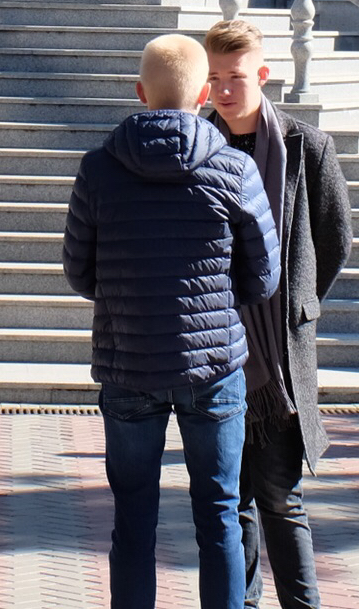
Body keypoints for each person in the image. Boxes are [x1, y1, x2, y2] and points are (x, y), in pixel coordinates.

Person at [64, 34, 280, 609]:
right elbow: (263, 278)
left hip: (127, 362)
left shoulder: (99, 169)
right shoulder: (233, 169)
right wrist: (211, 305)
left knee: (133, 521)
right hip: (213, 368)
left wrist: (127, 300)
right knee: (219, 517)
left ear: (139, 93)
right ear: (206, 92)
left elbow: (78, 272)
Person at [202, 19, 351, 609]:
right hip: (216, 347)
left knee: (280, 499)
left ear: (262, 75)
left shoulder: (304, 146)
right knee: (229, 502)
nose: (224, 90)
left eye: (236, 78)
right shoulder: (197, 142)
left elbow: (335, 238)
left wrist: (297, 303)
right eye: (213, 78)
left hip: (280, 358)